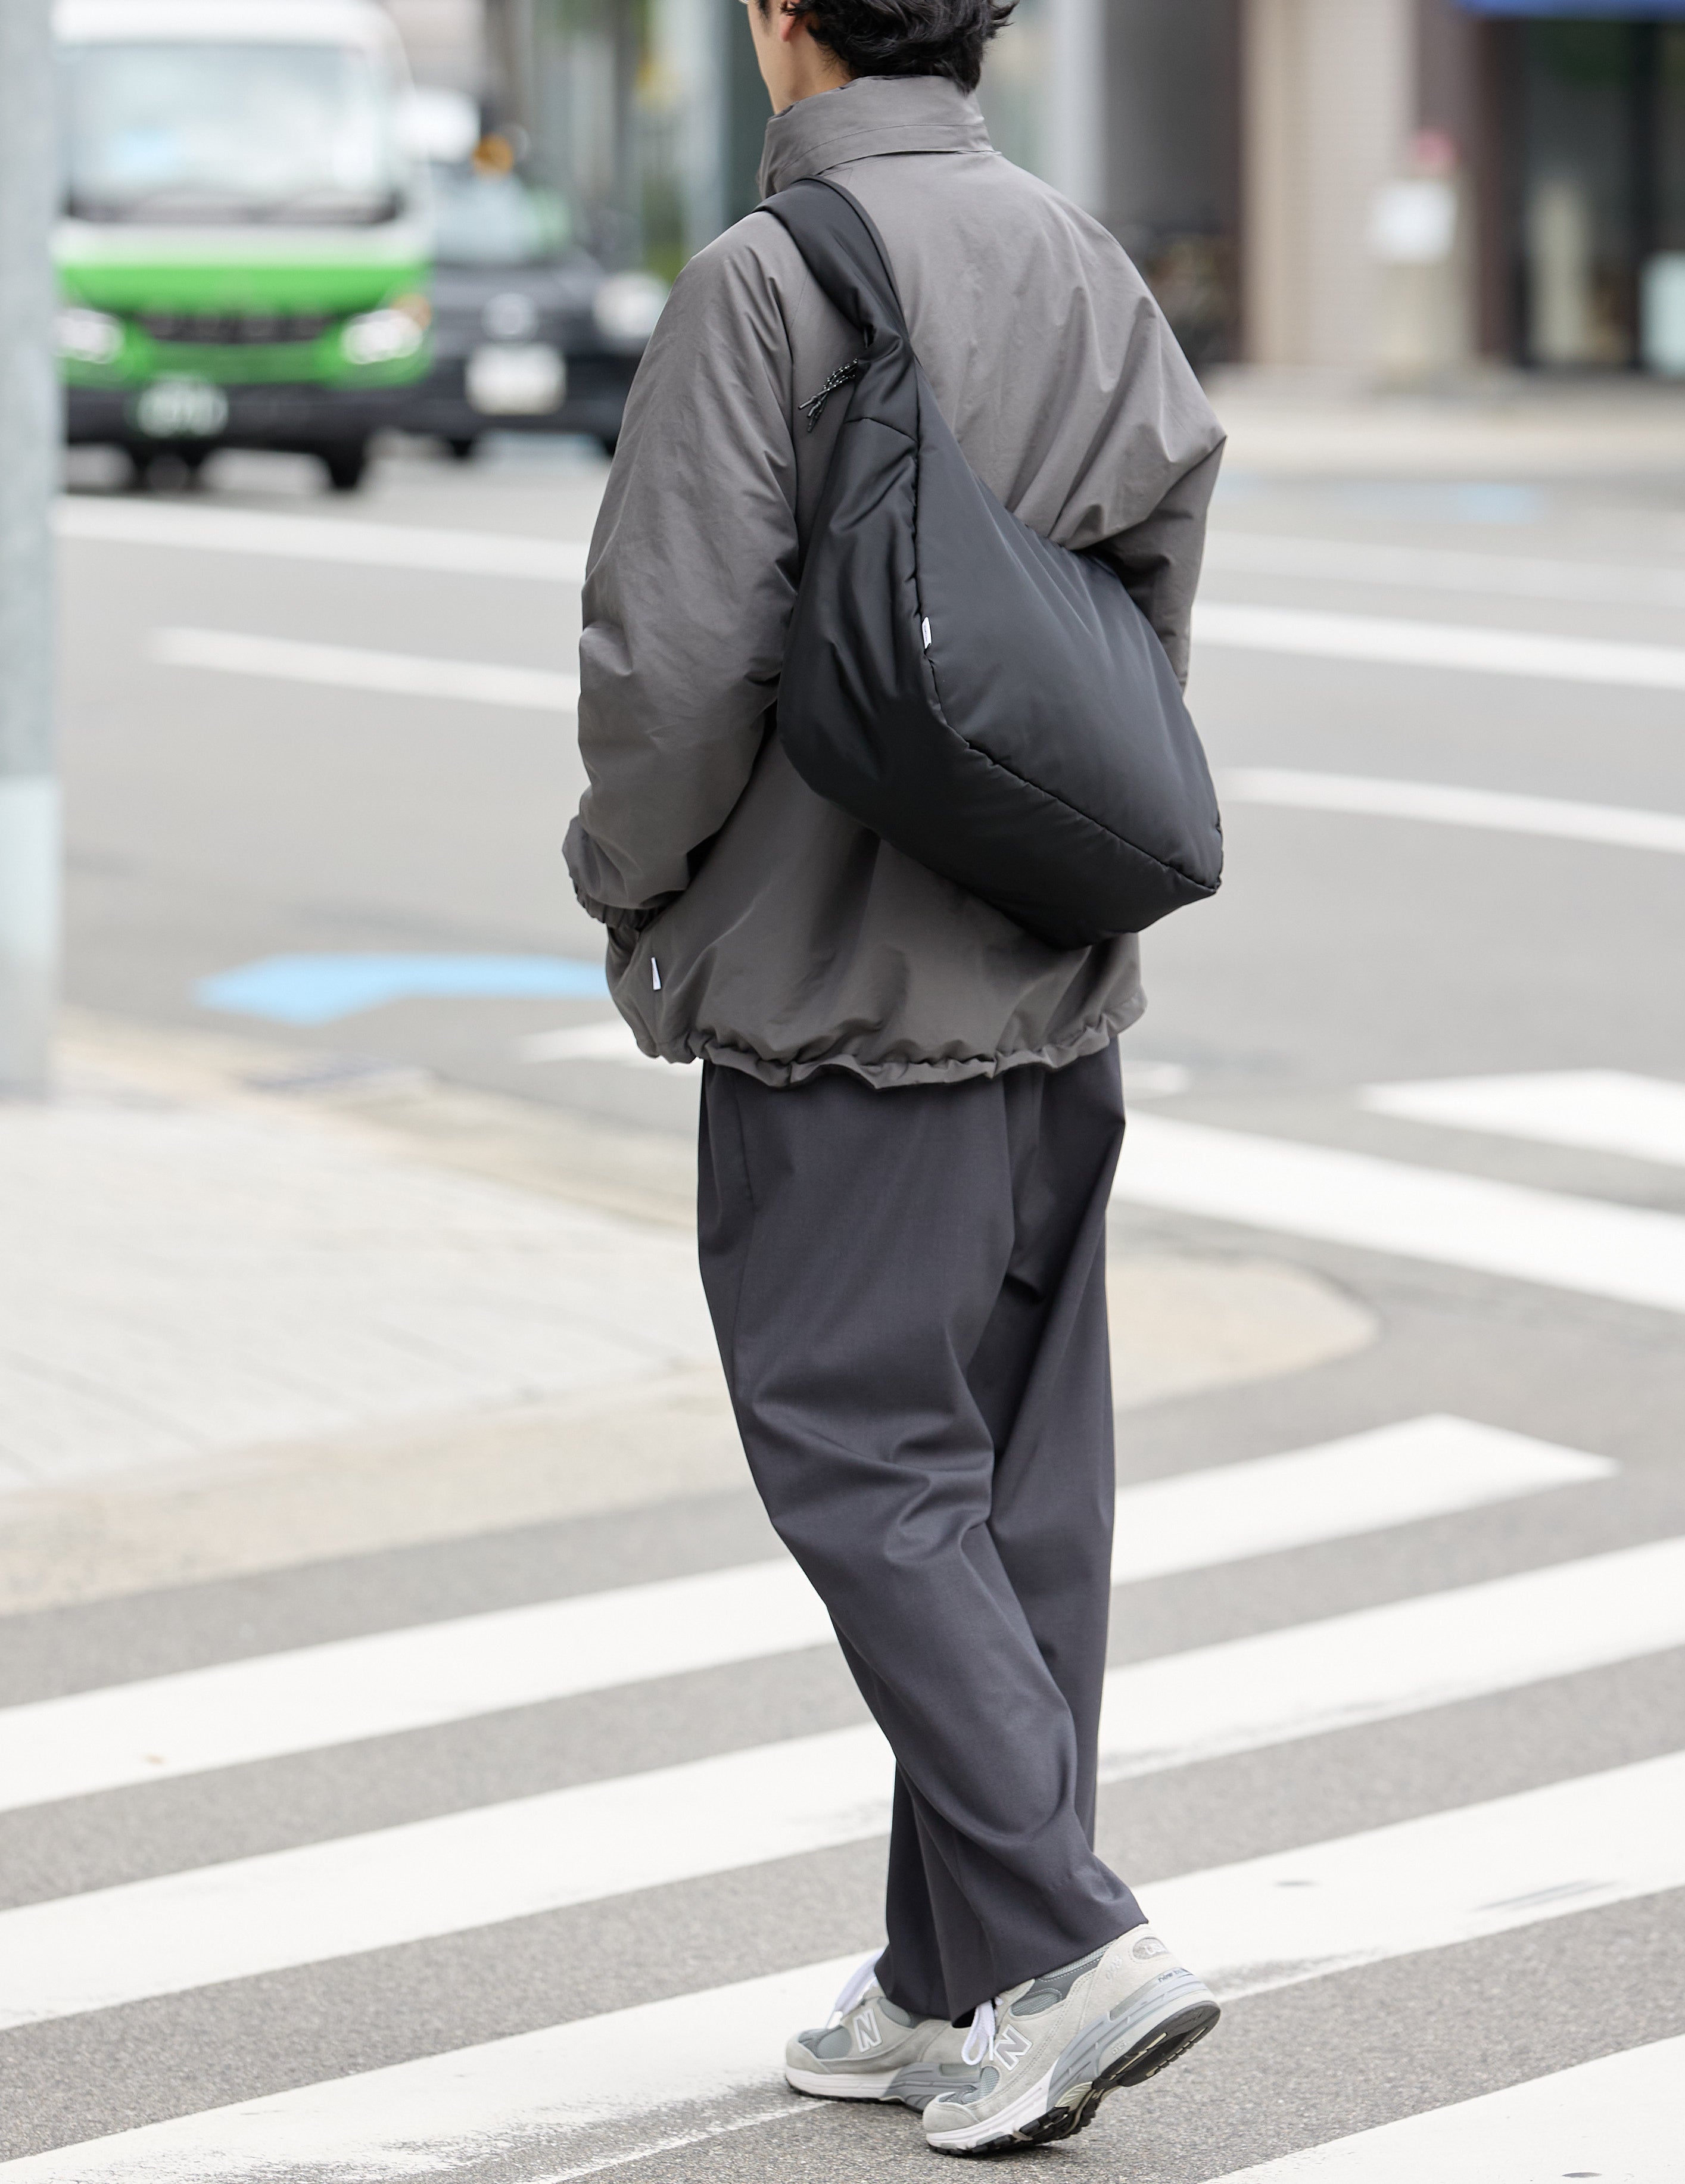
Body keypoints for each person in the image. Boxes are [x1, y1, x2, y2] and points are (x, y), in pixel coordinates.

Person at [563, 0, 1226, 2154]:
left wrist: (630, 889)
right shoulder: (1076, 250)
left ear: (781, 22)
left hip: (840, 1001)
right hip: (1054, 974)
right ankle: (951, 1977)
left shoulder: (771, 282)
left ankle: (1059, 1934)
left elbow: (674, 660)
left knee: (860, 1451)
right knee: (1019, 1490)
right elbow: (1146, 581)